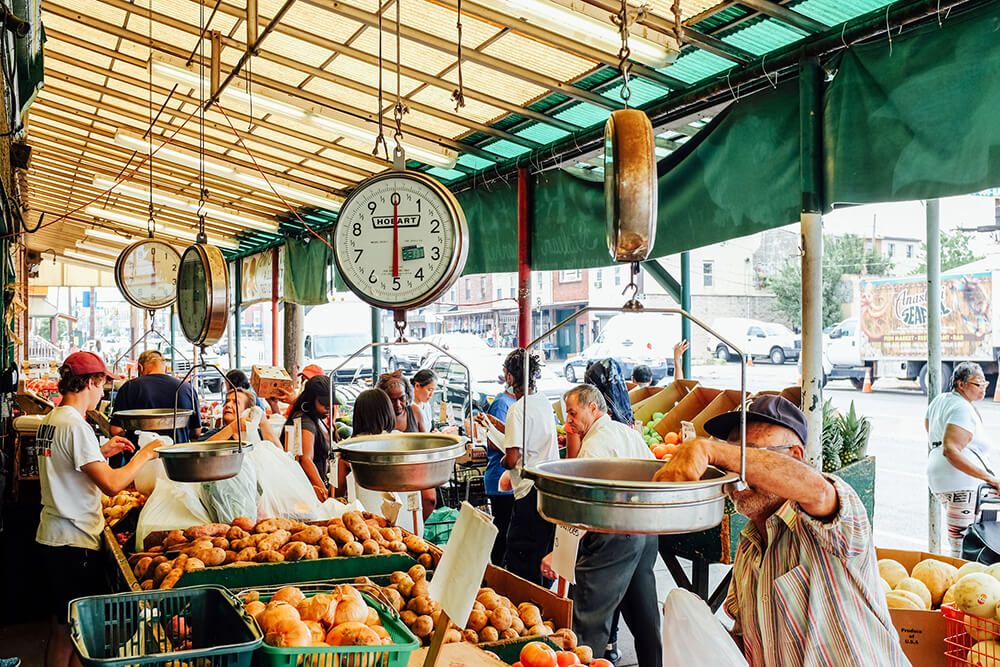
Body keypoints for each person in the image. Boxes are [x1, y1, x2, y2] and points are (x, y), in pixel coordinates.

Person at [655, 394, 907, 666]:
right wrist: (698, 630)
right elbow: (749, 648)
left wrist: (711, 450)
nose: (736, 472)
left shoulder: (834, 519)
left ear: (796, 457)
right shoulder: (748, 548)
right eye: (732, 457)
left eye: (751, 454)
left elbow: (816, 489)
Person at [37, 352, 163, 667]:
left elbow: (66, 464)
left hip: (54, 537)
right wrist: (145, 456)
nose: (103, 393)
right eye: (102, 386)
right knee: (80, 636)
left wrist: (101, 451)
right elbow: (112, 485)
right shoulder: (76, 426)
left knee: (61, 630)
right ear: (90, 382)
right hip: (73, 543)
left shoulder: (53, 419)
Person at [541, 384, 661, 667]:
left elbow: (586, 509)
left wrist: (559, 555)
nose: (567, 421)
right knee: (645, 618)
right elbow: (658, 472)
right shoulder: (626, 432)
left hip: (613, 536)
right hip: (645, 533)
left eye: (572, 413)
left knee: (587, 622)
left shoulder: (594, 446)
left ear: (593, 408)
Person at [495, 349, 559, 586]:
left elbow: (512, 459)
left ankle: (528, 609)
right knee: (540, 553)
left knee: (521, 556)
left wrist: (504, 461)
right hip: (548, 488)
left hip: (528, 491)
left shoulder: (517, 409)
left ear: (510, 377)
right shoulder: (544, 403)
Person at [926, 361, 997, 557]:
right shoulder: (962, 408)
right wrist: (991, 479)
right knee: (963, 546)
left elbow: (931, 433)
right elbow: (951, 450)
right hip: (962, 484)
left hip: (942, 481)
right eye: (978, 383)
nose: (983, 387)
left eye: (985, 383)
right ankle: (961, 583)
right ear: (961, 384)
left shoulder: (939, 402)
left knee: (959, 540)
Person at [110, 349, 201, 460]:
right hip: (178, 460)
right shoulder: (187, 388)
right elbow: (196, 432)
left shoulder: (128, 388)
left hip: (140, 462)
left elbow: (115, 430)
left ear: (140, 368)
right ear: (165, 368)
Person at [480, 382, 517, 565]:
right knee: (502, 533)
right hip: (499, 478)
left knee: (509, 533)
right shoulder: (502, 404)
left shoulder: (520, 404)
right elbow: (493, 442)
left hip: (512, 481)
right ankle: (498, 574)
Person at [283, 375, 334, 502]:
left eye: (330, 403)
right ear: (311, 400)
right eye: (323, 403)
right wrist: (326, 496)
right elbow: (305, 459)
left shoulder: (317, 418)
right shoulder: (305, 421)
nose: (328, 408)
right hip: (307, 495)